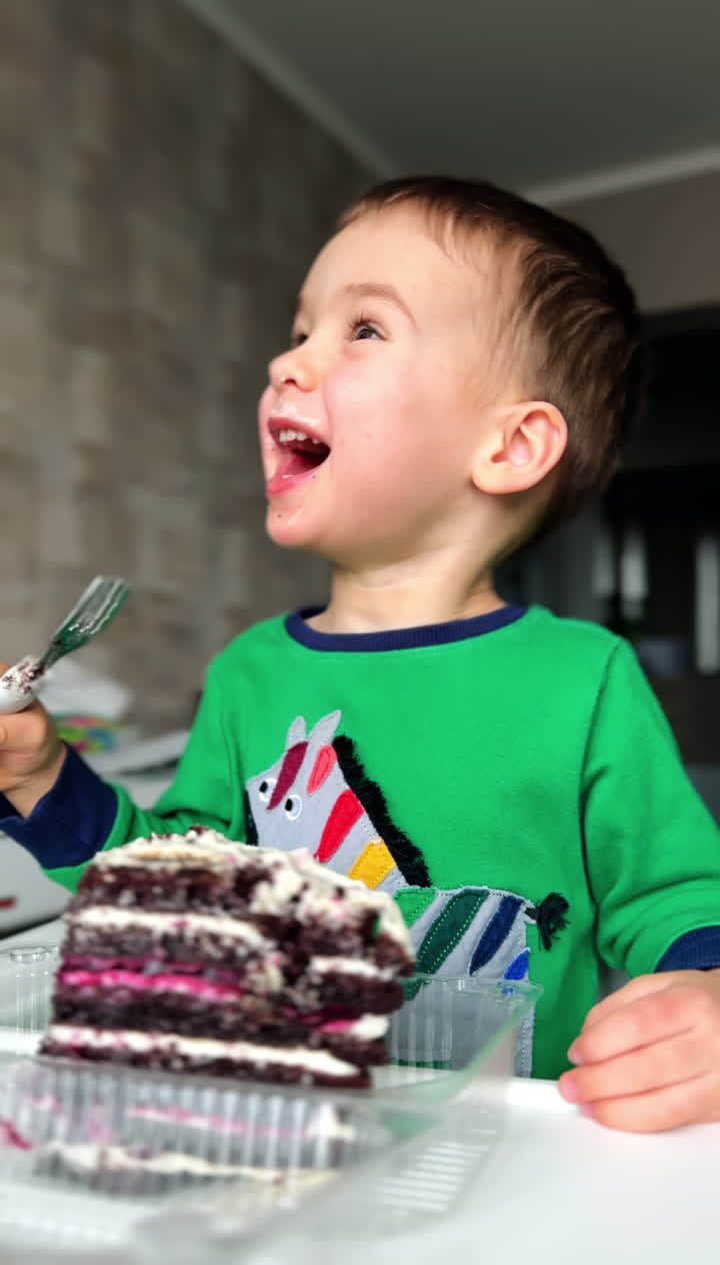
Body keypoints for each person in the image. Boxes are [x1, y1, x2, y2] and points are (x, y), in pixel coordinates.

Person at [1, 176, 719, 1133]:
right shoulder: (251, 671)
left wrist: (704, 998)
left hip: (520, 1147)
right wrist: (44, 779)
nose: (288, 361)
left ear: (509, 447)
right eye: (300, 330)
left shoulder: (583, 677)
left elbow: (674, 894)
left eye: (364, 330)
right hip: (284, 1130)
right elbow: (176, 886)